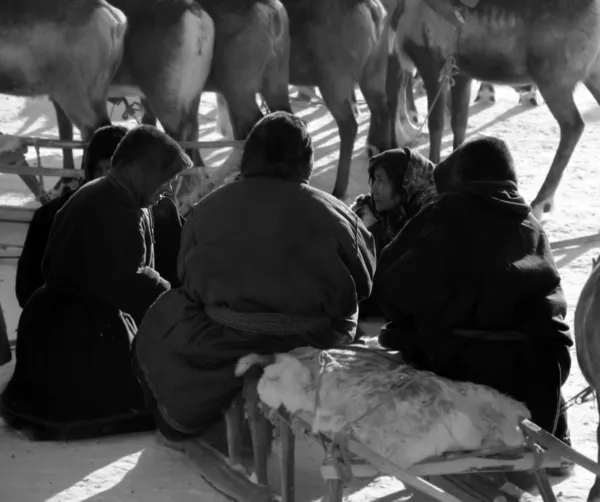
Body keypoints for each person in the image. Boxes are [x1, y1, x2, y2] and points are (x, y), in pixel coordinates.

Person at [133, 111, 377, 440]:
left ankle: (196, 414)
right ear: (305, 160)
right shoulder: (336, 212)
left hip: (225, 340)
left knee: (164, 315)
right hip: (314, 338)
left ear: (250, 157)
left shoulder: (208, 208)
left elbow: (187, 279)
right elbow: (364, 283)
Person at [372, 137, 573, 459]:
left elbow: (391, 285)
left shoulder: (447, 210)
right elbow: (553, 303)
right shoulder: (532, 224)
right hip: (543, 368)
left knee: (405, 334)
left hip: (469, 363)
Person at [1, 125, 193, 440]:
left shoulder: (115, 194)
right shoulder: (114, 208)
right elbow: (125, 281)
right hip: (78, 330)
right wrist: (169, 299)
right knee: (127, 403)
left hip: (60, 319)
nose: (168, 189)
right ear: (141, 170)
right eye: (166, 179)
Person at [15, 125, 184, 308]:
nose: (106, 179)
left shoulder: (162, 213)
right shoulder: (54, 215)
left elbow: (181, 275)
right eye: (100, 170)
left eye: (115, 169)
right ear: (89, 171)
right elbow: (28, 288)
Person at [352, 148, 436, 319]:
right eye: (374, 180)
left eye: (381, 180)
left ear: (405, 182)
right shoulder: (377, 216)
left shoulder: (434, 219)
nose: (374, 188)